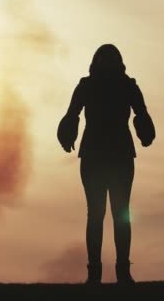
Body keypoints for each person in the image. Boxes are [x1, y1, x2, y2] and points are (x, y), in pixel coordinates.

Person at [57, 44, 155, 284]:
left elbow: (72, 115)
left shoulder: (93, 85)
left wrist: (68, 135)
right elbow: (73, 115)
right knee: (113, 214)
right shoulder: (122, 85)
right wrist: (145, 134)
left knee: (105, 215)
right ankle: (110, 272)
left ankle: (107, 272)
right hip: (110, 154)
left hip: (101, 154)